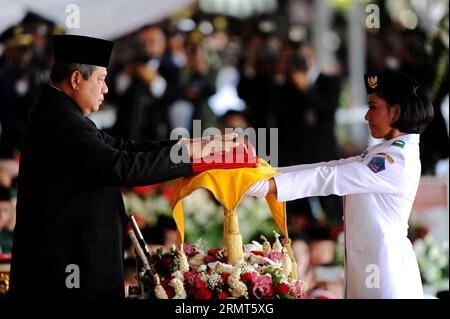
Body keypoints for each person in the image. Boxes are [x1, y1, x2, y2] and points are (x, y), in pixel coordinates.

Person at [9, 34, 250, 299]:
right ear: (76, 79)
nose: (106, 89)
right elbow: (121, 166)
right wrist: (189, 154)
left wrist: (191, 145)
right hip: (66, 269)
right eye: (100, 80)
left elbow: (123, 147)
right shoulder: (60, 120)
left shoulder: (63, 112)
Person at [246, 72, 434, 298]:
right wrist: (264, 174)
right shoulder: (389, 151)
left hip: (382, 272)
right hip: (372, 264)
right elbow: (332, 167)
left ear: (396, 112)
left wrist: (265, 186)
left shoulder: (394, 160)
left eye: (373, 107)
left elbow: (329, 178)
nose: (366, 115)